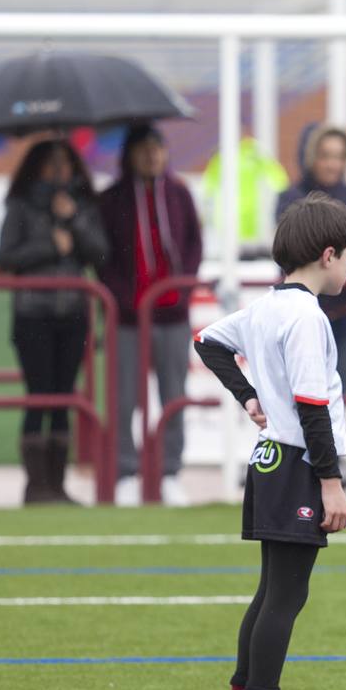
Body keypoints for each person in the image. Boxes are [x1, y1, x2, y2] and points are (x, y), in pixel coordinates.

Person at [194, 192, 346, 690]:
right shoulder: (305, 316)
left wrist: (248, 399)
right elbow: (313, 405)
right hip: (297, 462)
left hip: (269, 459)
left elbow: (207, 341)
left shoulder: (265, 306)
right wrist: (331, 483)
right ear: (329, 255)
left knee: (270, 592)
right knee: (285, 596)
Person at [0, 140, 109, 505]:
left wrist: (74, 220)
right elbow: (7, 256)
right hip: (33, 313)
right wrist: (51, 245)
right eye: (51, 164)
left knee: (64, 397)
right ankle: (35, 485)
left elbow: (100, 253)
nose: (59, 171)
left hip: (73, 313)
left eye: (65, 164)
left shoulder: (83, 204)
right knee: (38, 395)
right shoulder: (21, 204)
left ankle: (56, 485)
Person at [98, 124, 203, 507]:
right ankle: (126, 472)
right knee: (124, 398)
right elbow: (103, 257)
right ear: (128, 155)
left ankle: (170, 473)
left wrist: (183, 288)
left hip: (172, 315)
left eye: (157, 148)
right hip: (127, 318)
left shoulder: (178, 194)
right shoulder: (111, 200)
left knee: (174, 394)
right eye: (143, 149)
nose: (151, 156)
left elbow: (194, 243)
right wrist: (123, 298)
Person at [276, 125, 346, 392]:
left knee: (334, 402)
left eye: (339, 156)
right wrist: (345, 238)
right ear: (311, 156)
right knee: (297, 403)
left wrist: (320, 236)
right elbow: (294, 238)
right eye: (326, 155)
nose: (333, 164)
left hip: (345, 315)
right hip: (299, 319)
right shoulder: (290, 196)